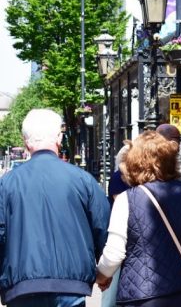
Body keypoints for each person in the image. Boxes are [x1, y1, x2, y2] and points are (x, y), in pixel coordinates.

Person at [0, 108, 110, 307]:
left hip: (22, 287)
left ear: (25, 141)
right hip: (71, 286)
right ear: (59, 138)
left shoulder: (7, 184)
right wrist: (104, 272)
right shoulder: (83, 180)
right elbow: (102, 226)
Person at [96, 131, 181, 306]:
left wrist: (101, 276)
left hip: (142, 297)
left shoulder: (126, 200)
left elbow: (114, 254)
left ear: (133, 163)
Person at [100, 145, 131, 307]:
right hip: (123, 232)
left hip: (124, 233)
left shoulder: (123, 177)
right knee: (112, 290)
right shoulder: (118, 177)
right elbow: (120, 204)